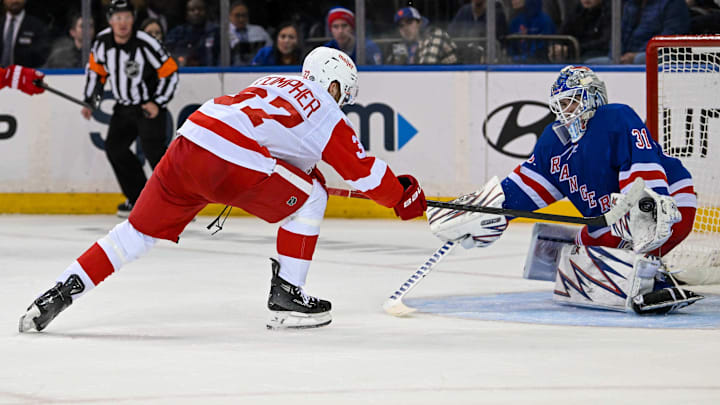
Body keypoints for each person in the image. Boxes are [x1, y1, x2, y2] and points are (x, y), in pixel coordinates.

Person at [18, 46, 427, 333]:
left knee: (134, 235)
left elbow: (285, 153)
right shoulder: (325, 110)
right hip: (232, 160)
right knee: (313, 198)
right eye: (344, 95)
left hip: (189, 140)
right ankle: (288, 295)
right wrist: (400, 197)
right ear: (333, 84)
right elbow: (363, 172)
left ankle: (63, 289)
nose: (342, 105)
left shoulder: (274, 80)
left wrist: (307, 177)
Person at [429, 65, 701, 314]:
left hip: (670, 199)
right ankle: (634, 270)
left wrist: (644, 207)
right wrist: (483, 212)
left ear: (593, 97)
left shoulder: (615, 118)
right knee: (579, 255)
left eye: (572, 101)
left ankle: (650, 276)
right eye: (560, 104)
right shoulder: (553, 142)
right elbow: (523, 190)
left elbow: (643, 171)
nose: (566, 110)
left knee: (644, 225)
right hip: (612, 221)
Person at [82, 0, 179, 217]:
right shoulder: (102, 42)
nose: (122, 22)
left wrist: (158, 101)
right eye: (117, 18)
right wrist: (90, 100)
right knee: (115, 149)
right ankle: (139, 198)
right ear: (110, 21)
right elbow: (96, 72)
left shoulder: (146, 43)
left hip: (147, 107)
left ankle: (177, 203)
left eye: (126, 17)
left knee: (156, 155)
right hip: (123, 108)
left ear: (133, 19)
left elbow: (170, 71)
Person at [586, 0, 690, 64]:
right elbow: (620, 34)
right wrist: (616, 55)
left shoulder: (672, 3)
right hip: (626, 56)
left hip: (658, 56)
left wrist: (635, 55)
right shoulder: (631, 4)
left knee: (641, 59)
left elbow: (669, 38)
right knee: (590, 63)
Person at [386, 6, 458, 65]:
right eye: (401, 25)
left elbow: (426, 67)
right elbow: (391, 71)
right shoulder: (401, 45)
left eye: (409, 22)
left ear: (419, 23)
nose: (405, 28)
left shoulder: (435, 34)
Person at [217, 0, 272, 66]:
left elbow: (270, 50)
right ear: (229, 16)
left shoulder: (259, 31)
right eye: (237, 15)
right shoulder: (222, 32)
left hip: (257, 70)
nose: (241, 19)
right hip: (231, 71)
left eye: (244, 15)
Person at [165, 0, 218, 67]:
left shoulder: (215, 31)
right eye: (192, 10)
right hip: (184, 72)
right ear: (186, 14)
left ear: (206, 12)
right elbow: (168, 52)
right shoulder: (178, 32)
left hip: (210, 72)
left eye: (200, 9)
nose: (196, 12)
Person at [1, 0, 49, 68]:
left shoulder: (37, 26)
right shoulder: (1, 23)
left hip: (26, 75)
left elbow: (42, 57)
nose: (15, 1)